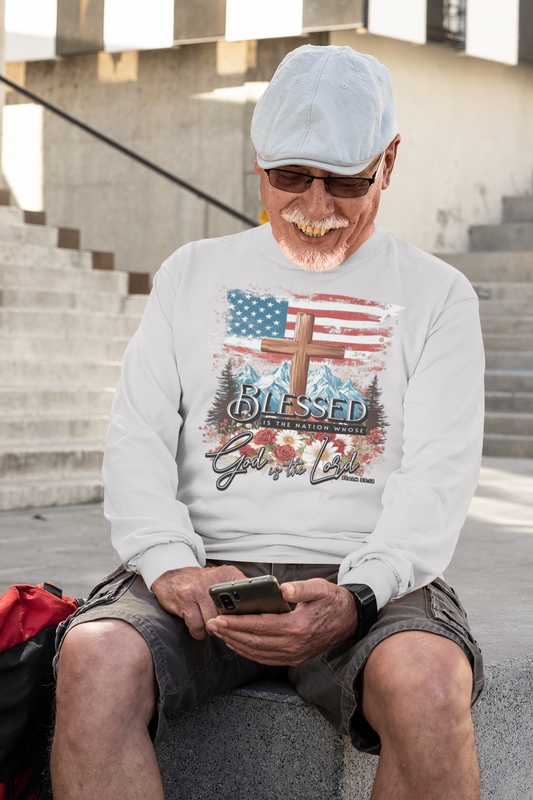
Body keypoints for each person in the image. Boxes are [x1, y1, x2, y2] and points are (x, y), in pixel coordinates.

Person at [50, 45, 485, 800]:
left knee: (429, 684)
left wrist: (361, 594)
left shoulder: (437, 294)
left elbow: (439, 475)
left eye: (345, 181)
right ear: (258, 164)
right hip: (206, 566)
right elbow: (137, 438)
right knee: (94, 659)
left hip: (363, 573)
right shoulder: (192, 272)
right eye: (290, 177)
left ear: (390, 160)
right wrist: (172, 565)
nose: (314, 209)